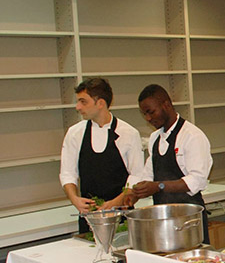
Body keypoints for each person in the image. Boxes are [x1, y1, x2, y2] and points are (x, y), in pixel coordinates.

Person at [125, 84, 213, 243]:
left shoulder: (192, 136)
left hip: (189, 220)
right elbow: (148, 175)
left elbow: (197, 180)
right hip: (163, 219)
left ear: (166, 105)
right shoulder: (154, 138)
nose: (148, 118)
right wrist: (134, 193)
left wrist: (159, 186)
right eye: (144, 114)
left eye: (151, 112)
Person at [59, 78, 144, 233]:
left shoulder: (129, 134)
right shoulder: (75, 133)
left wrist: (114, 203)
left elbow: (136, 176)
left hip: (122, 216)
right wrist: (75, 199)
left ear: (100, 103)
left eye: (83, 102)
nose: (78, 107)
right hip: (89, 217)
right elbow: (67, 173)